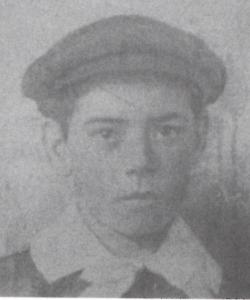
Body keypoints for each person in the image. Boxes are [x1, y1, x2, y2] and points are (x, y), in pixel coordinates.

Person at [0, 14, 249, 297]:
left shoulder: (234, 287)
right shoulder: (10, 285)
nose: (139, 162)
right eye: (107, 134)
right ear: (58, 145)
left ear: (200, 138)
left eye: (166, 131)